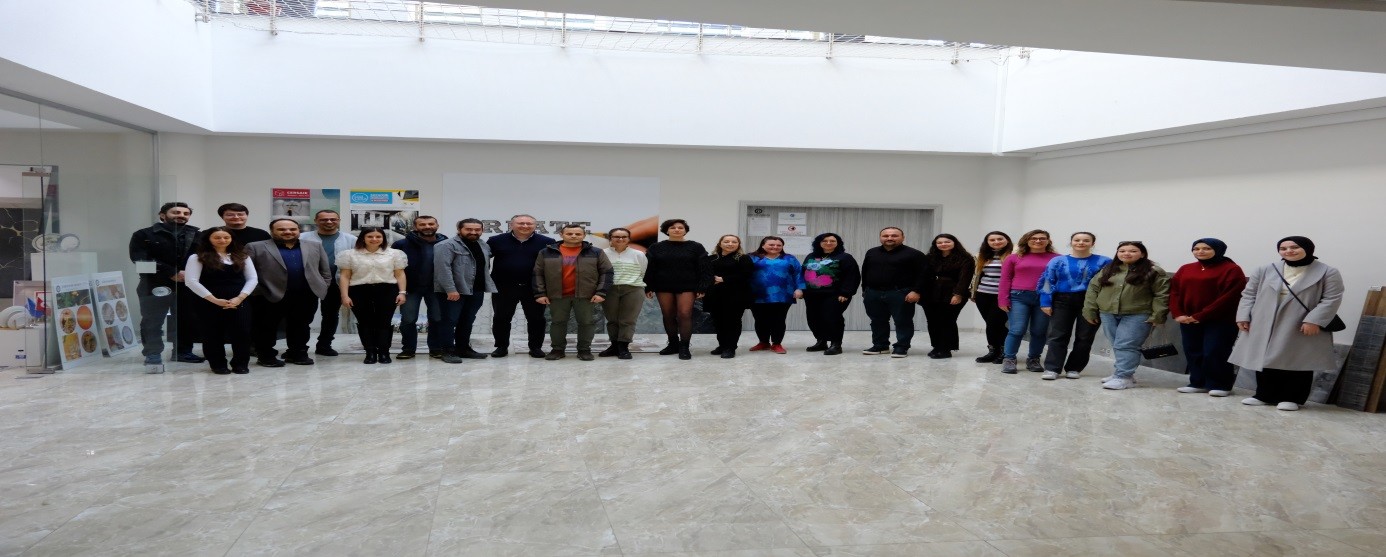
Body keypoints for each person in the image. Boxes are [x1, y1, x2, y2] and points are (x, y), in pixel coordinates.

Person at [1228, 236, 1344, 411]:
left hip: (1300, 321)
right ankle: (1264, 395)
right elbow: (1248, 294)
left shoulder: (1327, 272)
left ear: (1308, 248)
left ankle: (1292, 398)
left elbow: (1332, 299)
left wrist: (1314, 320)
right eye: (1283, 248)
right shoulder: (1265, 269)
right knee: (1265, 357)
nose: (1289, 251)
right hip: (1265, 320)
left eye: (1294, 247)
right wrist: (1243, 316)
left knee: (1298, 359)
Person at [1082, 241, 1170, 390]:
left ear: (1142, 254)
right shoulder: (1109, 269)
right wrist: (1089, 310)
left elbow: (1162, 295)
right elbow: (1093, 288)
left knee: (1127, 345)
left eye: (1132, 251)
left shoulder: (1154, 271)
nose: (1126, 253)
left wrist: (1158, 315)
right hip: (1108, 312)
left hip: (1138, 314)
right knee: (1117, 344)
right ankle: (1122, 373)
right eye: (1122, 251)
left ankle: (1123, 377)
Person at [245, 219, 332, 367]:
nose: (288, 232)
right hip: (268, 295)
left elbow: (325, 270)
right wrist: (258, 291)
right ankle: (266, 356)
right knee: (267, 326)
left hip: (305, 295)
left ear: (298, 230)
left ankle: (297, 353)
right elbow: (246, 272)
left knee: (301, 325)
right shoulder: (255, 247)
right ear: (272, 231)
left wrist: (323, 285)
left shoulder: (314, 245)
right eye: (281, 229)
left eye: (292, 229)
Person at [1169, 238, 1247, 397]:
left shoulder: (1231, 269)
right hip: (1188, 319)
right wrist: (1178, 314)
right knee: (1193, 351)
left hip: (1220, 319)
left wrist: (1201, 315)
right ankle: (1197, 382)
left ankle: (1220, 385)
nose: (1200, 251)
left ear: (1218, 250)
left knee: (1215, 351)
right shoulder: (1186, 268)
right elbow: (1174, 292)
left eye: (1206, 248)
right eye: (1196, 249)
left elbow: (1229, 297)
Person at [129, 202, 203, 368]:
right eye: (176, 212)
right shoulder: (143, 234)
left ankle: (183, 352)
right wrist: (171, 272)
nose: (181, 215)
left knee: (186, 320)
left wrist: (188, 274)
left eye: (185, 213)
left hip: (188, 285)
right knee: (152, 321)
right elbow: (140, 260)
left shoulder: (198, 235)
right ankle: (153, 354)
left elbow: (204, 258)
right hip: (153, 284)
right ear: (162, 215)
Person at [1037, 232, 1112, 380]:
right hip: (1062, 300)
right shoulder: (1058, 261)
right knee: (1058, 335)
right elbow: (1047, 280)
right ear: (1071, 242)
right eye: (1077, 240)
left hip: (1091, 302)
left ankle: (1074, 368)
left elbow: (1110, 283)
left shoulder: (1104, 261)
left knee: (1085, 337)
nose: (1081, 243)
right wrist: (1045, 301)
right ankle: (1052, 368)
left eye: (1086, 240)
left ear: (1092, 243)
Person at [534, 224, 614, 361]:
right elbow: (537, 274)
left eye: (578, 234)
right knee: (557, 323)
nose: (573, 236)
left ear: (584, 235)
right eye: (569, 233)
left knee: (586, 323)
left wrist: (601, 292)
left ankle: (584, 350)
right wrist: (540, 293)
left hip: (586, 296)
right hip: (557, 295)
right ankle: (557, 349)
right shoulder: (546, 252)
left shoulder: (596, 252)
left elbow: (606, 272)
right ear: (561, 235)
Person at [183, 227, 257, 374]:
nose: (222, 240)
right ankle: (218, 364)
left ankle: (240, 364)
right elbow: (191, 281)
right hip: (208, 300)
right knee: (212, 333)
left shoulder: (242, 256)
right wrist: (214, 300)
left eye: (226, 237)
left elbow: (252, 278)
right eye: (217, 237)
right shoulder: (197, 257)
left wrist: (240, 298)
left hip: (239, 300)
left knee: (242, 333)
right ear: (208, 239)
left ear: (232, 239)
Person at [487, 214, 557, 358]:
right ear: (511, 225)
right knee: (501, 318)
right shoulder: (495, 241)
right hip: (503, 287)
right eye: (521, 223)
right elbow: (483, 261)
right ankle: (501, 347)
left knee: (536, 319)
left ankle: (535, 347)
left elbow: (553, 266)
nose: (525, 226)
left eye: (529, 224)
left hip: (534, 287)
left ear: (535, 226)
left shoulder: (547, 242)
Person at [338, 227, 408, 364]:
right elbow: (345, 276)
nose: (374, 239)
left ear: (383, 239)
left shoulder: (394, 254)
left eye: (378, 236)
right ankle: (370, 352)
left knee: (384, 322)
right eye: (370, 236)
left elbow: (400, 274)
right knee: (365, 322)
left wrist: (402, 293)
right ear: (363, 238)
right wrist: (344, 296)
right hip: (359, 290)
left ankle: (384, 352)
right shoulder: (350, 255)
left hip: (387, 290)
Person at [644, 219, 712, 360]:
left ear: (685, 230)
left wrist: (703, 286)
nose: (676, 230)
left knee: (684, 314)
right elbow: (650, 268)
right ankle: (673, 344)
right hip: (663, 284)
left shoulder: (696, 246)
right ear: (666, 230)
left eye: (680, 227)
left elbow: (704, 267)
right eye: (673, 227)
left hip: (688, 284)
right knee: (668, 315)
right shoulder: (656, 247)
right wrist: (648, 286)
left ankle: (684, 346)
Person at [860, 227, 930, 358]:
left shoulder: (914, 254)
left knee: (902, 321)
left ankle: (901, 347)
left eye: (894, 235)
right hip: (873, 293)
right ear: (880, 238)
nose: (890, 238)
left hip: (901, 293)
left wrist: (916, 291)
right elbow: (865, 271)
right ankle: (880, 346)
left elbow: (924, 274)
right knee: (877, 320)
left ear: (903, 238)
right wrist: (865, 289)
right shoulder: (872, 252)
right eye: (886, 235)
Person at [435, 218, 497, 363]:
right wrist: (450, 289)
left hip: (476, 290)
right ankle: (447, 351)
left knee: (467, 320)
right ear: (459, 229)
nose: (473, 232)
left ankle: (463, 348)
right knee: (449, 321)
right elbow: (442, 269)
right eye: (468, 229)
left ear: (482, 230)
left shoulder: (483, 245)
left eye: (477, 230)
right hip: (454, 291)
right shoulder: (446, 245)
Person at [999, 229, 1060, 373]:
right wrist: (1002, 299)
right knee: (1017, 330)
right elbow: (1005, 279)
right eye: (1034, 238)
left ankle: (1033, 359)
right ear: (1026, 240)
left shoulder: (1057, 258)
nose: (1038, 241)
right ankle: (1009, 359)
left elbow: (1058, 279)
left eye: (1042, 238)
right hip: (1018, 297)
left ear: (1048, 241)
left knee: (1039, 331)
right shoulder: (1013, 258)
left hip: (1045, 299)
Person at [299, 209, 357, 356]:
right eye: (324, 219)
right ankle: (298, 347)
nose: (329, 222)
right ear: (316, 221)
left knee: (330, 315)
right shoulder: (302, 237)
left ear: (339, 221)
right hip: (308, 282)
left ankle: (324, 345)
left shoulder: (350, 239)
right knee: (303, 315)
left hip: (336, 283)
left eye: (333, 219)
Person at [391, 215, 447, 359]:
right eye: (422, 224)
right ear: (415, 227)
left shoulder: (447, 243)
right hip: (410, 289)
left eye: (431, 224)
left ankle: (436, 348)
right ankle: (408, 349)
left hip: (437, 289)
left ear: (437, 226)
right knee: (408, 319)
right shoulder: (401, 244)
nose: (427, 227)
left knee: (437, 319)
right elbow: (394, 268)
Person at [801, 232, 860, 356]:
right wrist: (801, 289)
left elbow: (852, 276)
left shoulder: (845, 257)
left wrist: (846, 293)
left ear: (838, 243)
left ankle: (836, 344)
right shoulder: (811, 256)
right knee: (813, 318)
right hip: (812, 294)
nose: (828, 243)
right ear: (819, 243)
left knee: (832, 317)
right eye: (825, 241)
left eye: (832, 241)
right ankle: (821, 341)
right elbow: (803, 273)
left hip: (835, 294)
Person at [748, 236, 805, 354]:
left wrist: (799, 288)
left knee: (778, 319)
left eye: (779, 245)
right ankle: (763, 342)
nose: (775, 247)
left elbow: (798, 273)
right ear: (763, 245)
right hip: (757, 294)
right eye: (771, 244)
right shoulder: (752, 257)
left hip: (783, 294)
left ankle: (777, 343)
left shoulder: (789, 258)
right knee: (760, 319)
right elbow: (743, 273)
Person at [921, 233, 974, 359]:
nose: (943, 244)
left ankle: (946, 349)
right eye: (939, 242)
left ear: (954, 243)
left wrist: (958, 294)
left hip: (953, 292)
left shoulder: (965, 258)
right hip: (931, 293)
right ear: (935, 245)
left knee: (947, 320)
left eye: (947, 242)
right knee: (932, 321)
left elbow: (965, 278)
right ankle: (936, 346)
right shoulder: (930, 257)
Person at [598, 227, 648, 360]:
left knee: (628, 320)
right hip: (609, 289)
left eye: (624, 237)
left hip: (633, 288)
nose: (620, 239)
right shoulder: (602, 253)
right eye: (616, 237)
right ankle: (614, 346)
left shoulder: (638, 254)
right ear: (610, 239)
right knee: (612, 319)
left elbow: (642, 271)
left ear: (629, 239)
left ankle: (623, 347)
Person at [703, 235, 755, 359]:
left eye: (734, 242)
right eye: (726, 241)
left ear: (738, 244)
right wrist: (711, 280)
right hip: (714, 294)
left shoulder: (743, 258)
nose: (730, 244)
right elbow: (704, 273)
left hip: (736, 295)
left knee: (732, 321)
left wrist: (724, 279)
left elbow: (747, 275)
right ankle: (722, 345)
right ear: (720, 243)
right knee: (718, 321)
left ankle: (730, 348)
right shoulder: (711, 258)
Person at [970, 231, 1014, 364]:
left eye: (1000, 239)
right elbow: (977, 275)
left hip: (1002, 295)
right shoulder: (981, 256)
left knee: (996, 323)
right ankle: (993, 351)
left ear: (1007, 240)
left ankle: (1005, 351)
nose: (996, 242)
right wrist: (973, 293)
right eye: (992, 240)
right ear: (987, 242)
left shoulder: (1014, 255)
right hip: (983, 294)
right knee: (991, 324)